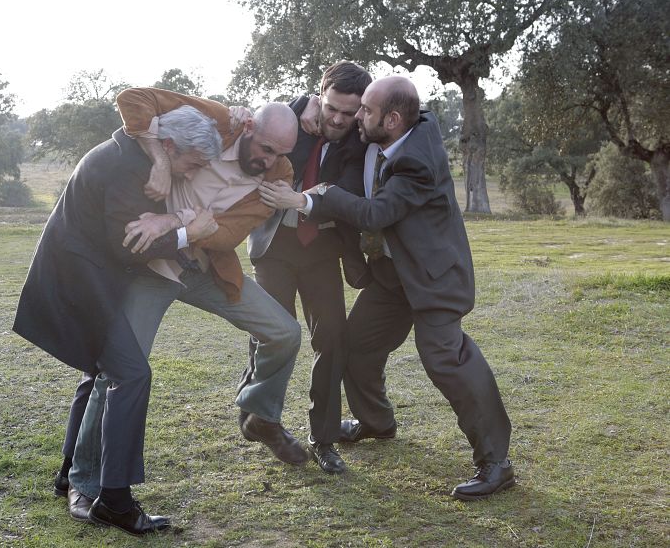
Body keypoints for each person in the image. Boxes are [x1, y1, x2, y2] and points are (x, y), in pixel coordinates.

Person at [58, 88, 306, 529]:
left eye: (281, 153)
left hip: (209, 269)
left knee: (285, 332)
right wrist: (156, 157)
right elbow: (133, 99)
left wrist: (173, 221)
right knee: (120, 369)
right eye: (266, 148)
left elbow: (228, 233)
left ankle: (258, 414)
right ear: (249, 127)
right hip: (154, 266)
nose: (270, 161)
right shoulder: (215, 118)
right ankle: (83, 482)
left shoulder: (278, 174)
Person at [259, 75, 515, 500]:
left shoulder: (416, 160)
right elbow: (332, 103)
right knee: (356, 345)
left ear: (392, 120)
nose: (355, 116)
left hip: (432, 277)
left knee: (446, 360)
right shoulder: (384, 130)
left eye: (365, 111)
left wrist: (308, 200)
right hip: (393, 276)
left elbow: (378, 213)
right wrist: (302, 101)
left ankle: (496, 463)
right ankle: (376, 421)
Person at [13, 105, 224, 536]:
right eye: (192, 163)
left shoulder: (133, 151)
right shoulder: (128, 167)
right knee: (131, 375)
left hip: (88, 280)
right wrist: (189, 234)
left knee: (100, 373)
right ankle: (114, 501)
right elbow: (128, 245)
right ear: (168, 146)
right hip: (78, 285)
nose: (190, 174)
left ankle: (70, 476)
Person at [243, 61, 371, 473]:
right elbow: (258, 149)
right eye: (331, 107)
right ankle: (264, 419)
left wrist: (307, 196)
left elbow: (347, 190)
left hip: (323, 250)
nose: (337, 119)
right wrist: (299, 111)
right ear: (320, 95)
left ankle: (325, 438)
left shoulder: (359, 143)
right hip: (275, 244)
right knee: (271, 331)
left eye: (348, 113)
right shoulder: (294, 121)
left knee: (332, 338)